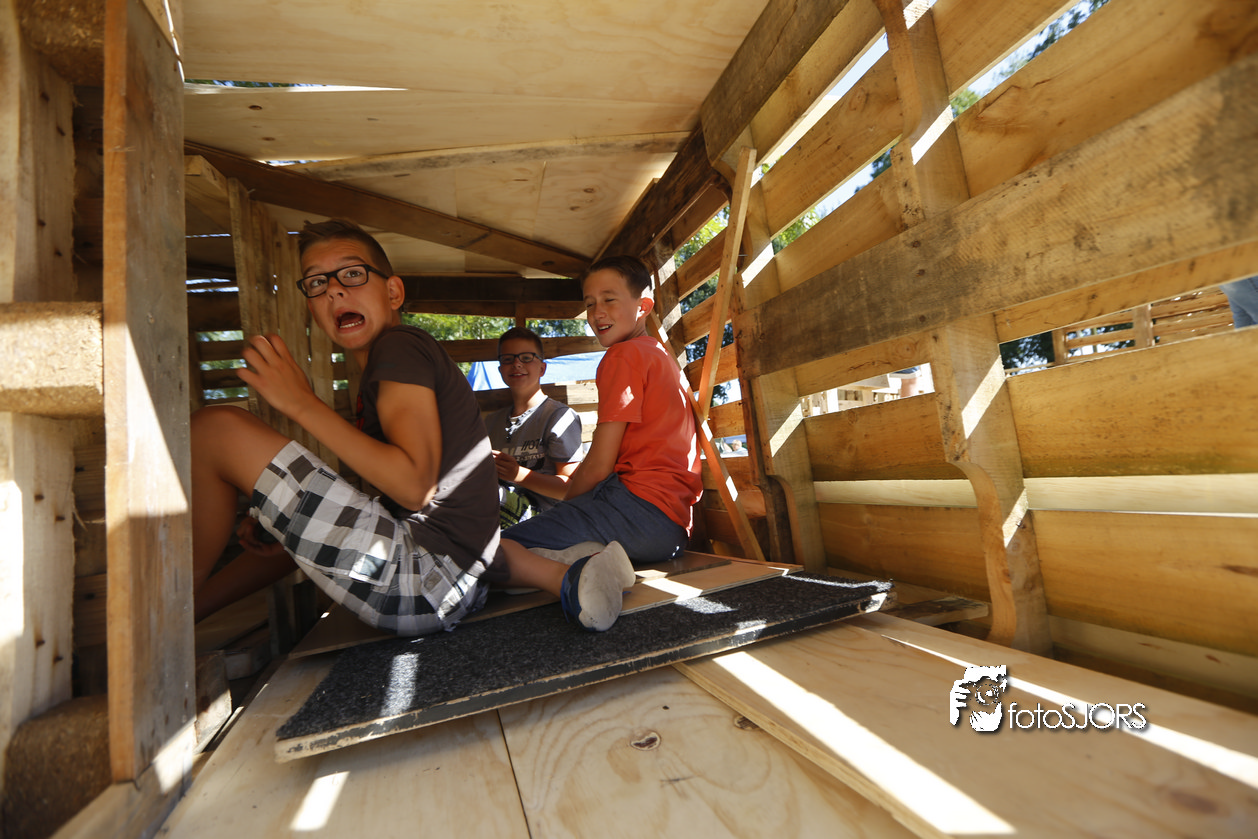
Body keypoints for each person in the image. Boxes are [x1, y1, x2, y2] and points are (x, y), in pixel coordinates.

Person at [189, 219, 499, 636]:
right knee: (279, 542)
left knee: (215, 429)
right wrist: (279, 520)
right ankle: (182, 616)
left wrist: (302, 403)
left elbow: (413, 487)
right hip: (449, 586)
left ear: (393, 292)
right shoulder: (382, 373)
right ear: (313, 308)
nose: (334, 290)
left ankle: (168, 608)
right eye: (317, 283)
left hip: (426, 578)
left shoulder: (400, 346)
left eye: (352, 274)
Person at [494, 255, 704, 632]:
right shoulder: (658, 354)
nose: (597, 312)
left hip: (636, 510)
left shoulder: (623, 356)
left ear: (643, 306)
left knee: (486, 553)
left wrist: (569, 509)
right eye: (589, 303)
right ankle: (588, 558)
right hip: (672, 530)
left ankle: (573, 567)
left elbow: (599, 464)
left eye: (609, 299)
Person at [486, 327, 584, 528]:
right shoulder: (491, 422)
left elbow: (570, 488)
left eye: (526, 357)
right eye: (508, 359)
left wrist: (517, 474)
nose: (517, 364)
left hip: (546, 519)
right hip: (497, 512)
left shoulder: (559, 417)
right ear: (500, 370)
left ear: (542, 368)